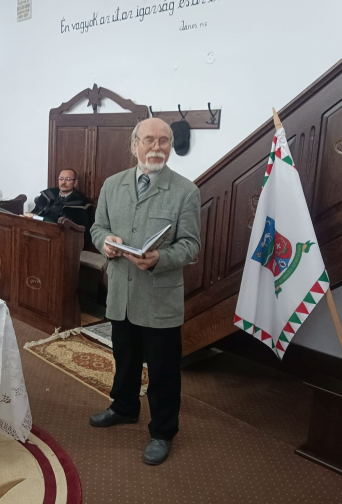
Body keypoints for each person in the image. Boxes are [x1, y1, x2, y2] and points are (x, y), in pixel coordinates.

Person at [89, 117, 201, 466]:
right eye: (149, 139)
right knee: (125, 359)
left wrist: (159, 259)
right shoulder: (112, 184)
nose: (157, 147)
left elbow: (191, 246)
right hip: (121, 295)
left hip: (159, 298)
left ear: (171, 146)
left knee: (163, 372)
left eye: (164, 140)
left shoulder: (185, 191)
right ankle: (124, 407)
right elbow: (97, 227)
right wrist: (105, 242)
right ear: (134, 145)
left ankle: (163, 432)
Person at [26, 168, 93, 243]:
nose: (63, 182)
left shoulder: (80, 204)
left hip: (61, 238)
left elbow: (82, 231)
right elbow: (35, 212)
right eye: (61, 179)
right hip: (38, 231)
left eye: (68, 179)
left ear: (75, 183)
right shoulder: (47, 195)